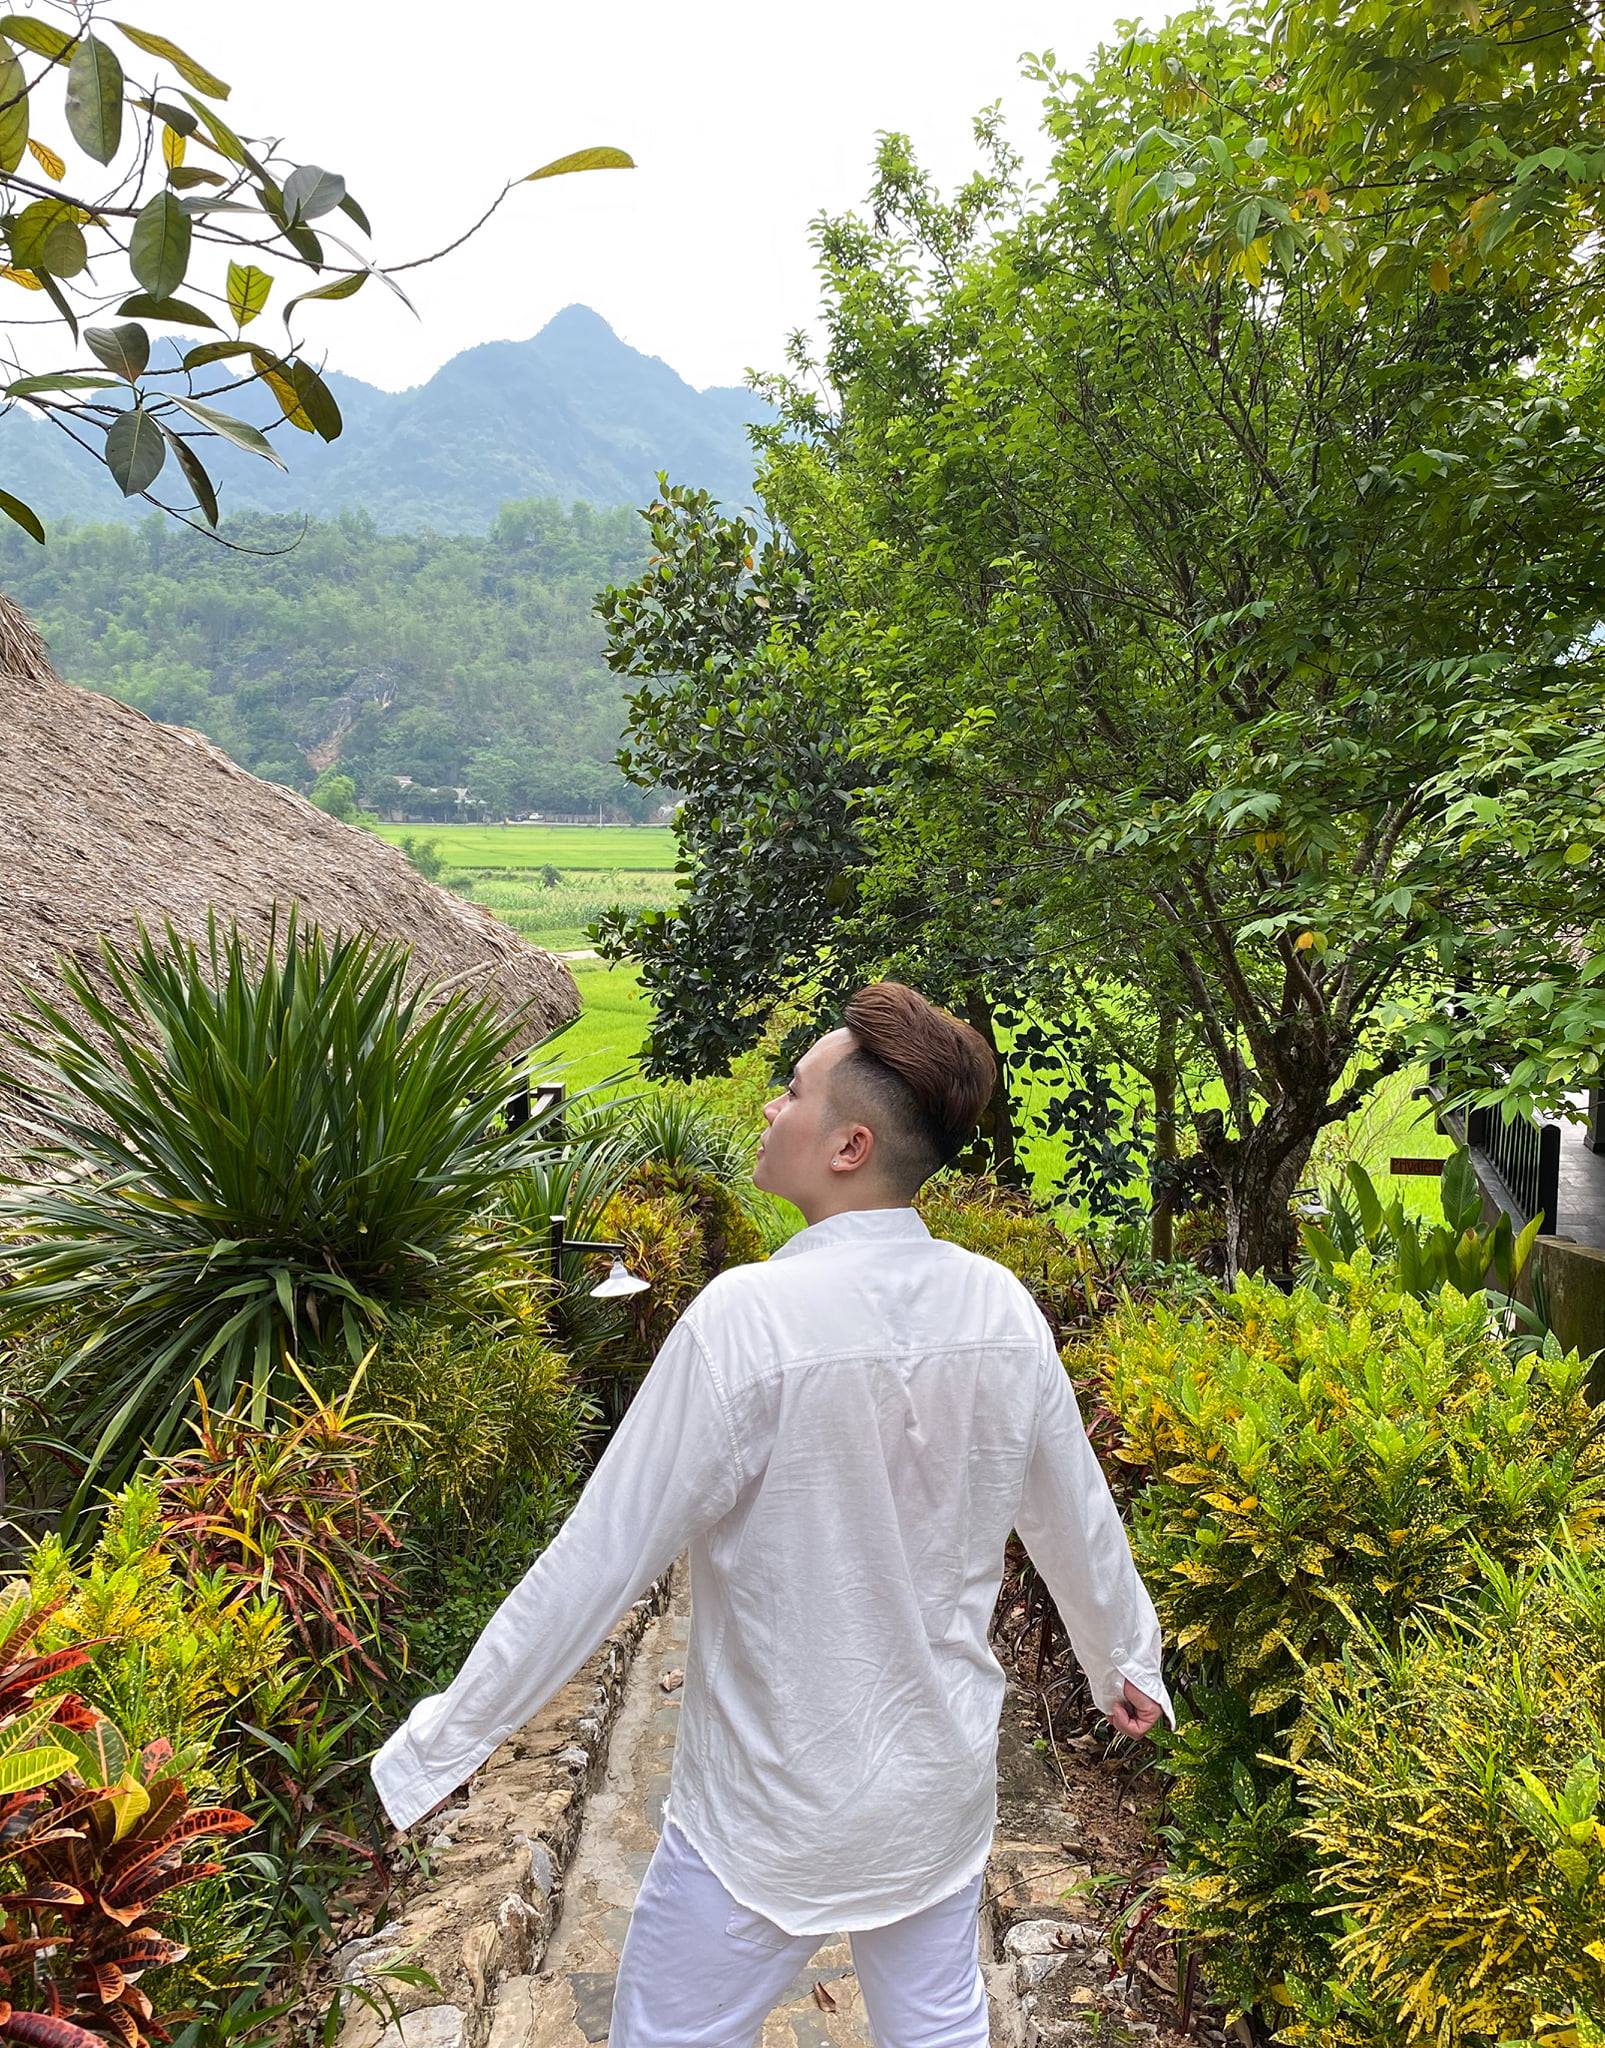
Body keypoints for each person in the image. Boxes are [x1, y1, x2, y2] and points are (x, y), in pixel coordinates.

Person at [371, 981, 1173, 2048]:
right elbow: (1074, 1511)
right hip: (932, 1785)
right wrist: (1124, 1657)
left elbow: (600, 1557)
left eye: (791, 1090)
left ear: (848, 1145)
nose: (767, 1107)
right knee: (939, 2028)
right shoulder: (998, 1305)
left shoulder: (746, 1320)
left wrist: (445, 1741)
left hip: (769, 1804)